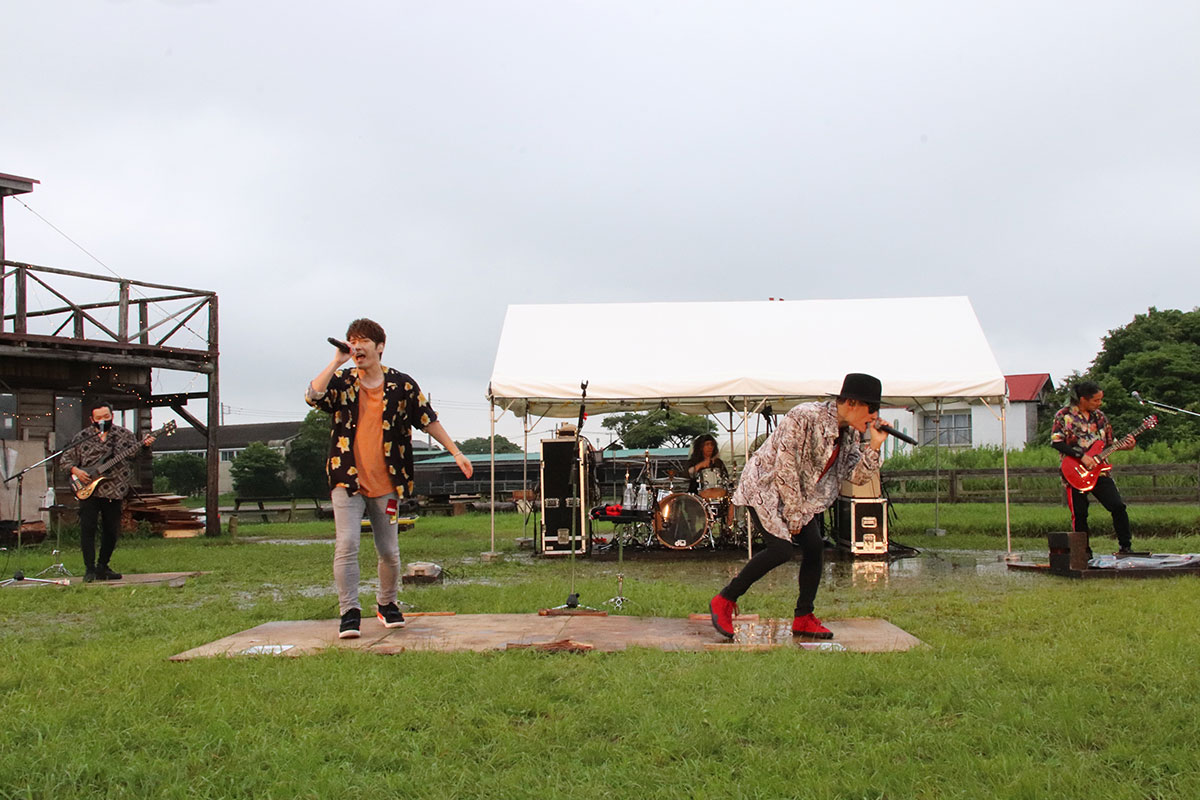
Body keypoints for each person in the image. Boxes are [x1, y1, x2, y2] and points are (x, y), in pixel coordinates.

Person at [306, 318, 473, 639]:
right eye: (352, 341)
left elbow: (427, 419)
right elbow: (313, 396)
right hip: (346, 478)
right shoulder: (343, 381)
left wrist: (456, 452)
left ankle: (387, 603)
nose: (357, 347)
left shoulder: (402, 385)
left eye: (363, 341)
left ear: (380, 347)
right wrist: (336, 361)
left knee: (389, 551)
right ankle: (349, 611)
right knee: (347, 544)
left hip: (387, 482)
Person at [709, 373, 889, 640]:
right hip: (766, 487)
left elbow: (857, 477)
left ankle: (804, 617)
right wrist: (794, 515)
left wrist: (874, 445)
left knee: (814, 547)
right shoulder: (804, 416)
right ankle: (724, 599)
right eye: (871, 408)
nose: (874, 416)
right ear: (851, 402)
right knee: (781, 549)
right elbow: (786, 467)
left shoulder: (849, 434)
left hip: (799, 497)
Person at [60, 401, 156, 582]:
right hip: (89, 489)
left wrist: (145, 445)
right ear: (92, 419)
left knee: (111, 530)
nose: (103, 420)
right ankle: (89, 569)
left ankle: (103, 566)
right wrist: (77, 471)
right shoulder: (83, 436)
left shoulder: (124, 435)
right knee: (88, 529)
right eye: (99, 418)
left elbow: (136, 456)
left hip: (114, 489)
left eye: (106, 416)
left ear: (112, 416)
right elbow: (65, 460)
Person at [1050, 380, 1137, 555]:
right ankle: (1083, 552)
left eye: (1100, 400)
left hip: (1100, 471)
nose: (1099, 403)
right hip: (1075, 471)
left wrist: (1126, 446)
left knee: (1118, 506)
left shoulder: (1100, 417)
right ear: (1083, 399)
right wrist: (1081, 456)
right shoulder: (1064, 415)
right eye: (1096, 400)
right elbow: (1056, 442)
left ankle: (1125, 546)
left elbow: (1109, 442)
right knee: (1080, 514)